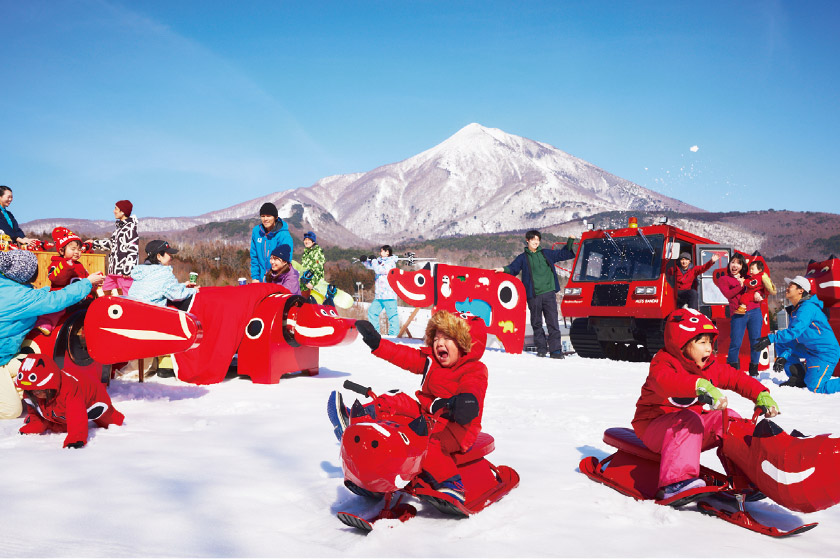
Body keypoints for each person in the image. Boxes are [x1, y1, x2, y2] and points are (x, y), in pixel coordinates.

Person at [328, 311, 487, 507]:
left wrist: (466, 402)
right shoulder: (432, 361)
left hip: (456, 427)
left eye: (447, 338)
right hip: (428, 415)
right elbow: (403, 355)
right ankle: (356, 421)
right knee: (396, 399)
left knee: (427, 444)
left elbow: (473, 388)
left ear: (465, 343)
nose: (439, 343)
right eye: (436, 338)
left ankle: (452, 484)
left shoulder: (474, 369)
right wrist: (377, 343)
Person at [632, 308, 778, 500]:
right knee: (689, 418)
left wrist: (761, 394)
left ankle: (745, 477)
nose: (709, 348)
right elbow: (665, 382)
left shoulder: (708, 366)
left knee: (731, 419)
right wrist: (698, 386)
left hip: (689, 428)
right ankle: (676, 482)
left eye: (710, 342)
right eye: (702, 342)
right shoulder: (663, 363)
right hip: (654, 427)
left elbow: (736, 379)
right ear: (681, 343)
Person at [0, 250, 105, 419]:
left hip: (4, 358)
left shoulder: (7, 286)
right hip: (1, 360)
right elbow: (55, 300)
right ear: (28, 273)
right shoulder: (20, 298)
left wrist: (55, 288)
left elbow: (39, 295)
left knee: (33, 371)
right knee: (12, 411)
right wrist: (86, 283)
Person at [494, 230, 575, 358]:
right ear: (528, 240)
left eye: (537, 240)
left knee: (553, 322)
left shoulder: (546, 254)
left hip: (549, 293)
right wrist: (503, 269)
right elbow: (513, 268)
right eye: (533, 240)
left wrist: (570, 241)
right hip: (533, 295)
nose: (536, 242)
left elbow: (563, 254)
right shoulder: (523, 257)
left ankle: (556, 351)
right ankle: (541, 349)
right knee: (536, 323)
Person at [15, 353, 124, 448]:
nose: (35, 393)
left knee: (111, 420)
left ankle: (116, 419)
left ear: (49, 384)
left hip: (94, 399)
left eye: (39, 390)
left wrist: (76, 438)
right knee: (57, 420)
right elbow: (34, 411)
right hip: (60, 409)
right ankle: (45, 422)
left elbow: (76, 415)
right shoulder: (31, 392)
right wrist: (36, 422)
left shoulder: (69, 389)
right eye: (32, 391)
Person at [753, 276, 840, 393]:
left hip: (824, 352)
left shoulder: (807, 308)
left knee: (815, 387)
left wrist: (770, 339)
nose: (787, 288)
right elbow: (793, 339)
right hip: (810, 349)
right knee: (782, 343)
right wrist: (784, 356)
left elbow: (794, 332)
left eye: (791, 286)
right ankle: (798, 378)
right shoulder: (796, 310)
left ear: (801, 290)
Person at [34, 227, 95, 335]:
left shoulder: (80, 266)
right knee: (56, 310)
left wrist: (94, 285)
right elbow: (55, 278)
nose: (77, 252)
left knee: (91, 307)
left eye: (79, 249)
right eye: (73, 249)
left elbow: (86, 279)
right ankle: (45, 323)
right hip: (63, 299)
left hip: (79, 300)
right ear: (62, 251)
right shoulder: (56, 263)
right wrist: (66, 265)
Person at [713, 253, 764, 375]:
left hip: (755, 311)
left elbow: (761, 287)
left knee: (756, 342)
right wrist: (741, 285)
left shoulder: (749, 277)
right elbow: (728, 294)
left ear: (742, 266)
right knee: (735, 343)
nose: (735, 265)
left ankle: (754, 370)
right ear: (729, 264)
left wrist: (760, 294)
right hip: (738, 313)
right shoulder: (723, 279)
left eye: (738, 263)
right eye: (733, 262)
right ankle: (733, 371)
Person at [89, 200, 139, 296]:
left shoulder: (130, 229)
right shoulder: (119, 229)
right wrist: (94, 244)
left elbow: (133, 250)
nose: (113, 211)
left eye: (116, 208)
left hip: (124, 273)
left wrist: (128, 269)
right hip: (113, 272)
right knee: (105, 295)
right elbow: (112, 244)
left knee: (125, 298)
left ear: (122, 211)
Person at [361, 245, 400, 336]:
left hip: (389, 295)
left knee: (392, 316)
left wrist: (374, 261)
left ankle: (394, 335)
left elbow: (379, 270)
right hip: (379, 295)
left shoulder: (391, 263)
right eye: (380, 251)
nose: (380, 252)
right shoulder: (380, 261)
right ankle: (375, 333)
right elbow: (372, 266)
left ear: (387, 252)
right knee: (372, 312)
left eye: (382, 251)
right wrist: (364, 261)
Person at [250, 202, 293, 283]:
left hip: (277, 280)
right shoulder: (256, 232)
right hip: (259, 280)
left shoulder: (283, 235)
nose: (265, 219)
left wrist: (275, 279)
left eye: (268, 216)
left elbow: (285, 262)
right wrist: (255, 277)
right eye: (263, 216)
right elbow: (254, 256)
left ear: (276, 217)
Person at [299, 231, 325, 295]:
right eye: (305, 240)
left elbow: (318, 270)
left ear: (313, 241)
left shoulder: (317, 252)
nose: (306, 242)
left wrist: (312, 283)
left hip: (313, 285)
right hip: (305, 285)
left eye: (309, 240)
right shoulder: (306, 253)